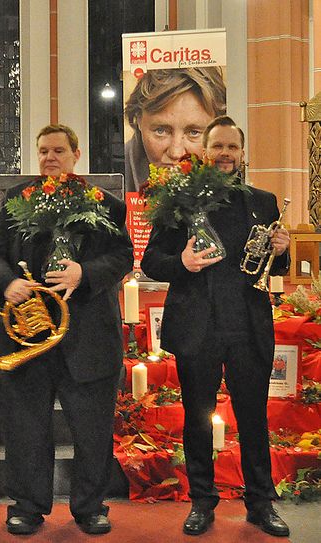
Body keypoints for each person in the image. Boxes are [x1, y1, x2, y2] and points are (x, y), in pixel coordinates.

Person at [141, 115, 291, 537]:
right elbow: (152, 260)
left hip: (248, 327)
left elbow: (271, 266)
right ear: (204, 152)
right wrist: (183, 263)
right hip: (199, 329)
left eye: (232, 147)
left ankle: (260, 503)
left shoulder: (264, 201)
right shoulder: (179, 199)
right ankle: (202, 502)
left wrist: (280, 251)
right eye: (218, 147)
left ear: (242, 154)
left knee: (253, 420)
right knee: (197, 420)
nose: (225, 154)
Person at [0, 124, 133, 535]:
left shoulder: (105, 203)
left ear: (75, 155)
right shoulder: (17, 199)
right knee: (26, 429)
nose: (51, 157)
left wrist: (84, 273)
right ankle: (27, 506)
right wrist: (7, 282)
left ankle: (90, 507)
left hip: (89, 337)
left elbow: (123, 257)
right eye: (44, 150)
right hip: (27, 338)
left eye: (59, 151)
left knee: (92, 431)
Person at [124, 67, 226, 193]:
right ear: (138, 120)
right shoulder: (118, 175)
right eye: (160, 131)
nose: (176, 153)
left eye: (193, 133)